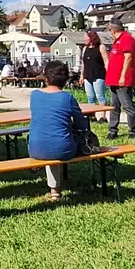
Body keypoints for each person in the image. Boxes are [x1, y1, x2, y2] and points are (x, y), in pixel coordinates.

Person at [29, 61, 93, 201]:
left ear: (45, 78)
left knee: (50, 138)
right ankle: (55, 192)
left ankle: (54, 191)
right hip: (62, 148)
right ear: (65, 81)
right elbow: (82, 124)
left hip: (35, 149)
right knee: (60, 141)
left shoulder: (34, 96)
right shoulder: (67, 98)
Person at [104, 18, 135, 140]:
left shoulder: (126, 38)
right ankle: (112, 130)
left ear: (112, 29)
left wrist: (123, 76)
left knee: (127, 105)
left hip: (122, 79)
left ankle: (133, 130)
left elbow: (128, 58)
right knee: (114, 106)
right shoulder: (117, 41)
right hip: (113, 79)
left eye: (109, 29)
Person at [80, 30, 109, 106]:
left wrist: (109, 73)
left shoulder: (101, 47)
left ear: (91, 38)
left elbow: (106, 61)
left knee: (100, 96)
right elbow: (83, 63)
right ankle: (92, 116)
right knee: (90, 97)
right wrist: (81, 75)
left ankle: (103, 116)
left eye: (86, 37)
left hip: (98, 75)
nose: (84, 39)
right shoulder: (85, 49)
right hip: (87, 76)